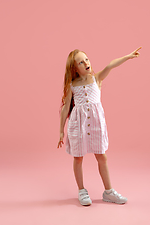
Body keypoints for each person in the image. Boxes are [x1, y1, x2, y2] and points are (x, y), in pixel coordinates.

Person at [57, 47, 142, 206]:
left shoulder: (97, 79)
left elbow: (110, 65)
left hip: (96, 125)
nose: (86, 63)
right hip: (79, 126)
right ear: (75, 68)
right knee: (78, 158)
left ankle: (108, 191)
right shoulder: (72, 85)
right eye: (81, 62)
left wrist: (128, 57)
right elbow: (65, 107)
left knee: (102, 156)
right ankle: (82, 190)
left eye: (87, 59)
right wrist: (61, 131)